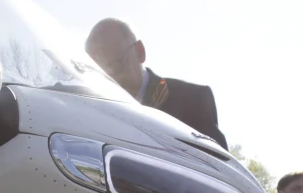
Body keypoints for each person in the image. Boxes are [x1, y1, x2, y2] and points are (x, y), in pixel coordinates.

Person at [84, 17, 228, 149]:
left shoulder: (192, 100)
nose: (108, 79)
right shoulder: (93, 113)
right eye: (99, 73)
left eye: (115, 66)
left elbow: (220, 171)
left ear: (140, 52)